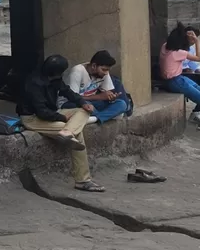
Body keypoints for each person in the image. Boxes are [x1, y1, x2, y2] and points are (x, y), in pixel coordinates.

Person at [18, 54, 104, 192]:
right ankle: (83, 180)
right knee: (78, 134)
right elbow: (42, 112)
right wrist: (63, 119)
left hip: (53, 113)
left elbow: (68, 92)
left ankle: (67, 131)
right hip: (33, 119)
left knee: (83, 111)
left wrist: (83, 102)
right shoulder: (34, 83)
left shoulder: (55, 78)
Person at [62, 50, 131, 123]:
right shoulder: (78, 71)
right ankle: (103, 116)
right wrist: (99, 97)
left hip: (92, 104)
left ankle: (95, 118)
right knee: (88, 106)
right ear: (94, 66)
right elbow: (72, 97)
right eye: (104, 70)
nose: (106, 73)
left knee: (121, 104)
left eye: (108, 70)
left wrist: (111, 98)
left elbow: (106, 93)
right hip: (71, 103)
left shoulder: (104, 73)